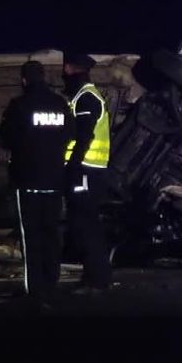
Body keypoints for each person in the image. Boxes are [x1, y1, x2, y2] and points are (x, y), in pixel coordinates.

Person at [0, 60, 74, 309]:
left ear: (24, 80)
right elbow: (70, 134)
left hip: (27, 179)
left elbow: (5, 137)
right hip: (54, 179)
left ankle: (35, 289)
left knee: (30, 236)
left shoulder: (19, 106)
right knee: (52, 233)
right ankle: (51, 283)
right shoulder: (60, 104)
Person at [62, 52, 113, 294]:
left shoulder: (86, 98)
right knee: (85, 224)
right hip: (88, 169)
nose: (64, 72)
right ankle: (94, 277)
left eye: (66, 66)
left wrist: (72, 165)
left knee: (86, 224)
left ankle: (96, 279)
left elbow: (84, 136)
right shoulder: (83, 96)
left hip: (86, 171)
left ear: (73, 68)